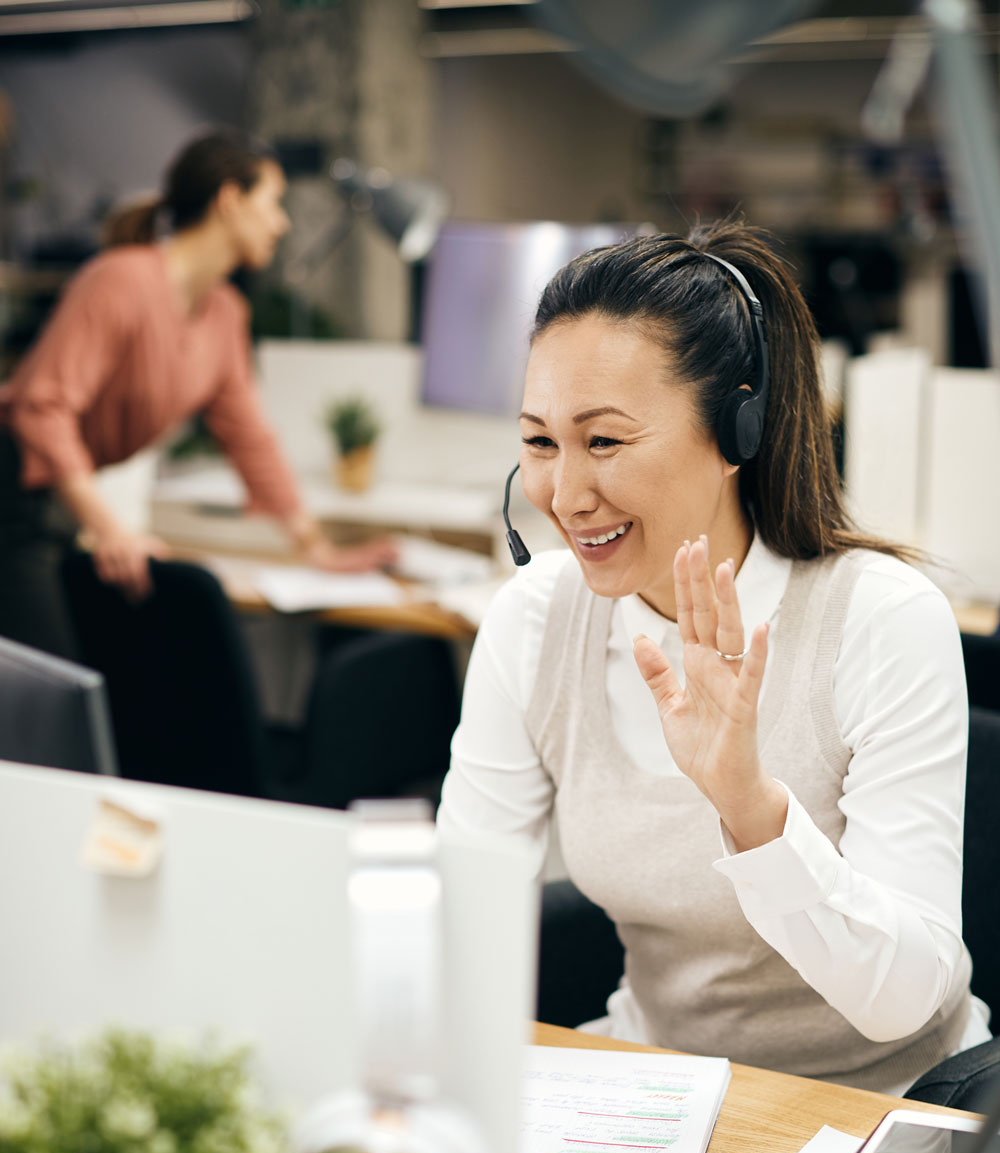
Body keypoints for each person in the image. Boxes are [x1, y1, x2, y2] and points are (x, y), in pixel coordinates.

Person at [439, 220, 990, 1095]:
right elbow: (463, 912)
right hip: (655, 1094)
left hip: (884, 1105)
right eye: (541, 442)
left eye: (606, 441)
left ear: (737, 430)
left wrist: (750, 808)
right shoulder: (536, 622)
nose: (565, 495)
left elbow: (907, 1002)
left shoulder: (882, 621)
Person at [0, 129, 396, 659]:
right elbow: (40, 407)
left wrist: (315, 547)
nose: (282, 223)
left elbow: (249, 435)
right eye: (274, 203)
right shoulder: (120, 281)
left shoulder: (224, 311)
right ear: (230, 201)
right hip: (10, 492)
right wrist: (111, 530)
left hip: (48, 504)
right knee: (47, 697)